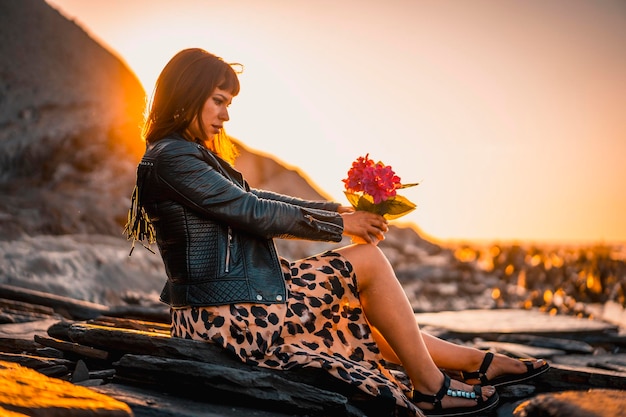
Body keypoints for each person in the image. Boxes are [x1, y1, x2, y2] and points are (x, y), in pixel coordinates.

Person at [124, 48, 549, 417]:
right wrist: (342, 225)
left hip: (231, 305)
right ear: (186, 96)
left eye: (228, 102)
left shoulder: (183, 154)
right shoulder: (172, 158)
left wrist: (337, 211)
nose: (226, 114)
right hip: (228, 318)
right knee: (367, 262)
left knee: (356, 313)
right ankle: (431, 387)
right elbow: (251, 210)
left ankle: (475, 362)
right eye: (218, 101)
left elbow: (258, 198)